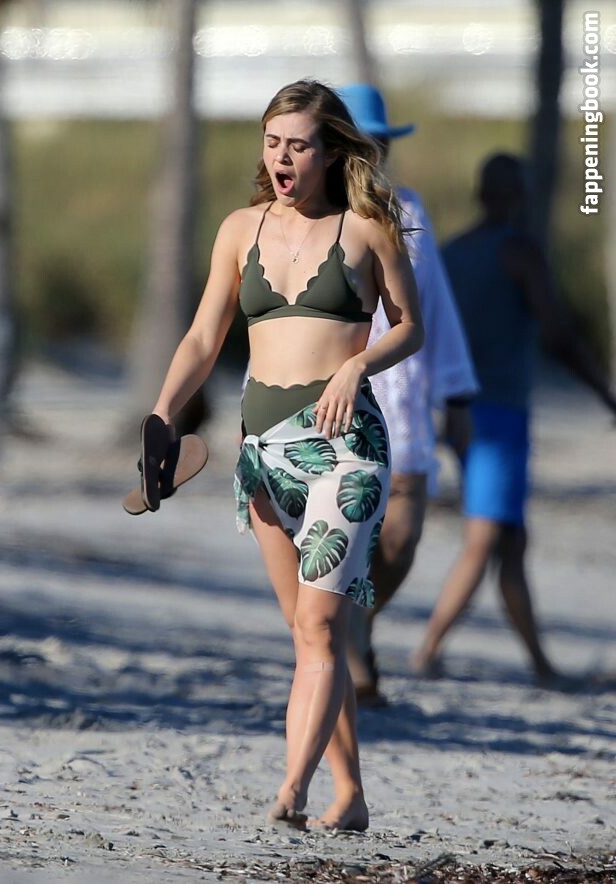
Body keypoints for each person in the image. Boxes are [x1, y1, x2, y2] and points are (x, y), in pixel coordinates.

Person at [144, 79, 424, 831]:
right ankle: (350, 795)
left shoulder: (367, 229)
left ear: (331, 152)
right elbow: (204, 337)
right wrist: (163, 414)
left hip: (346, 450)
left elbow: (410, 327)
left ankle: (292, 789)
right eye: (272, 143)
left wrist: (357, 364)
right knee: (305, 632)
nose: (282, 158)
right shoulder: (241, 229)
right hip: (262, 456)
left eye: (299, 145)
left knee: (322, 628)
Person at [412, 153, 616, 684]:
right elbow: (558, 334)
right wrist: (603, 392)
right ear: (520, 195)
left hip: (459, 410)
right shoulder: (520, 250)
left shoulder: (453, 253)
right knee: (485, 538)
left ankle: (541, 666)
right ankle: (428, 651)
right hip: (501, 416)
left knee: (512, 540)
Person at [338, 84, 479, 703]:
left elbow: (436, 308)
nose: (375, 153)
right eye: (363, 141)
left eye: (381, 142)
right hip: (334, 402)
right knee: (341, 537)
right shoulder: (311, 213)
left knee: (399, 540)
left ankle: (357, 627)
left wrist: (458, 396)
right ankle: (343, 656)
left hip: (406, 403)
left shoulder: (410, 208)